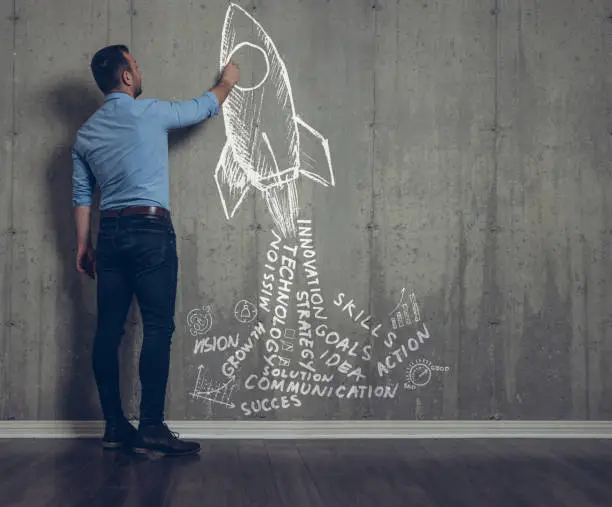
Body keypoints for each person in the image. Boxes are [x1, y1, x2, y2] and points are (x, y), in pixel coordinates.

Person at [71, 44, 239, 457]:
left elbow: (80, 194)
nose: (140, 70)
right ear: (126, 77)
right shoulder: (150, 113)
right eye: (136, 65)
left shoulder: (85, 134)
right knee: (158, 327)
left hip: (108, 234)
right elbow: (200, 108)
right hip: (149, 231)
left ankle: (114, 425)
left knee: (108, 331)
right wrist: (227, 83)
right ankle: (150, 427)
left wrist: (83, 245)